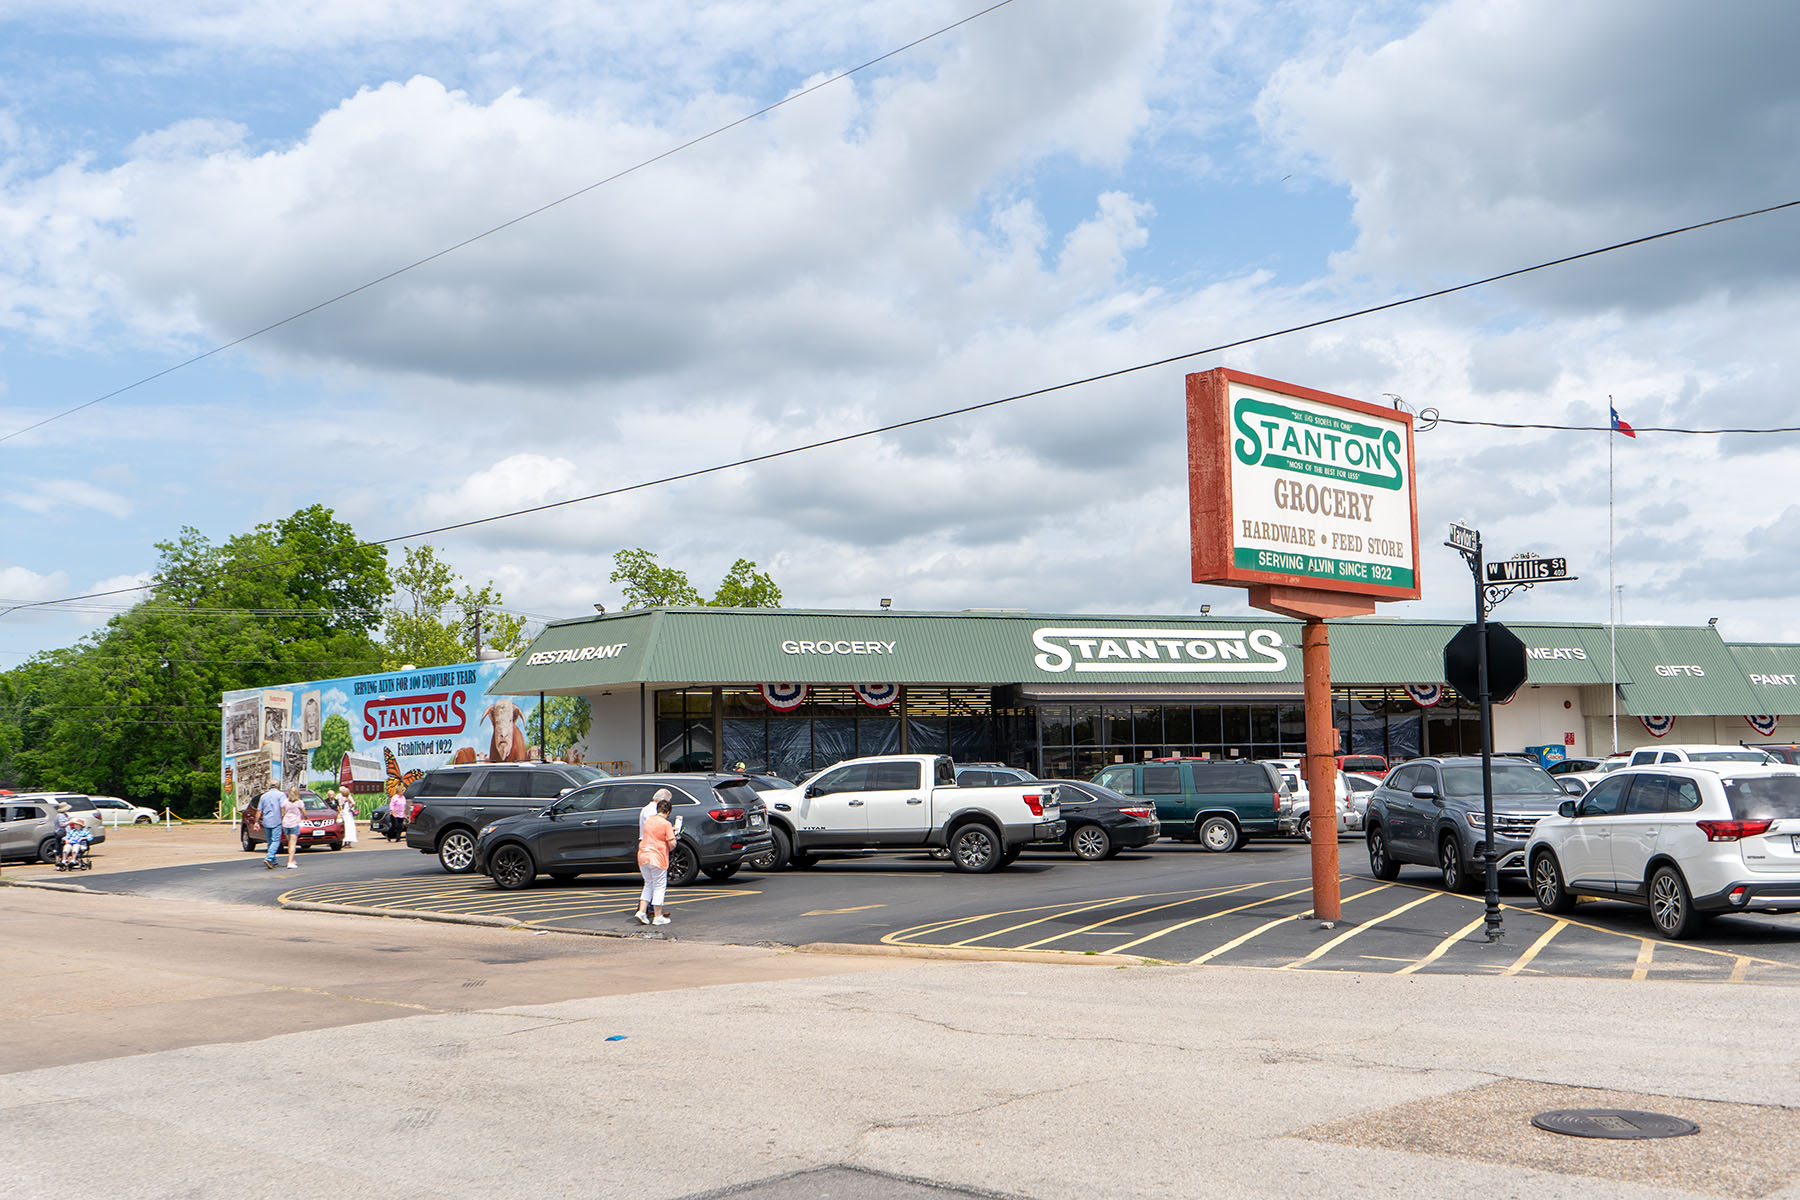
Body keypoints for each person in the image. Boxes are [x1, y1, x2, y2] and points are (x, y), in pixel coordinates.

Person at [634, 795, 677, 926]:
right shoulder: (666, 824)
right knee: (659, 886)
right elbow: (672, 844)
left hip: (643, 855)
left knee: (648, 884)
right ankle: (658, 916)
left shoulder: (649, 820)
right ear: (668, 812)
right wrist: (674, 835)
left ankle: (642, 911)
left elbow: (653, 834)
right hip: (657, 857)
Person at [259, 783, 286, 869]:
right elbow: (283, 807)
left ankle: (273, 862)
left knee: (270, 841)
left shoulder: (264, 796)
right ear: (278, 786)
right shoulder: (281, 795)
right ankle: (269, 857)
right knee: (276, 841)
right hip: (276, 820)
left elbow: (259, 810)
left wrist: (256, 821)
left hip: (267, 820)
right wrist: (283, 818)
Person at [280, 786, 305, 869]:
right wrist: (305, 816)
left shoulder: (285, 802)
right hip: (294, 823)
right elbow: (304, 812)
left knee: (289, 842)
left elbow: (282, 813)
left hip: (286, 823)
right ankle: (290, 862)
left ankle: (292, 859)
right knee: (293, 844)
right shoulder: (299, 802)